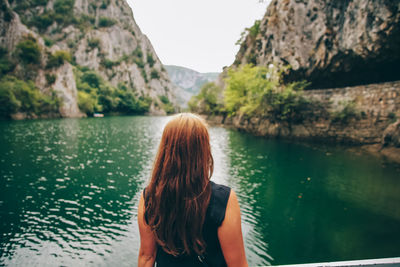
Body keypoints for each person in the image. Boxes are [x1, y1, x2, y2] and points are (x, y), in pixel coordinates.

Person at [137, 113, 248, 267]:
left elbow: (147, 257)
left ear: (166, 149)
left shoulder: (149, 196)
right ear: (203, 150)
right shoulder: (224, 199)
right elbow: (237, 265)